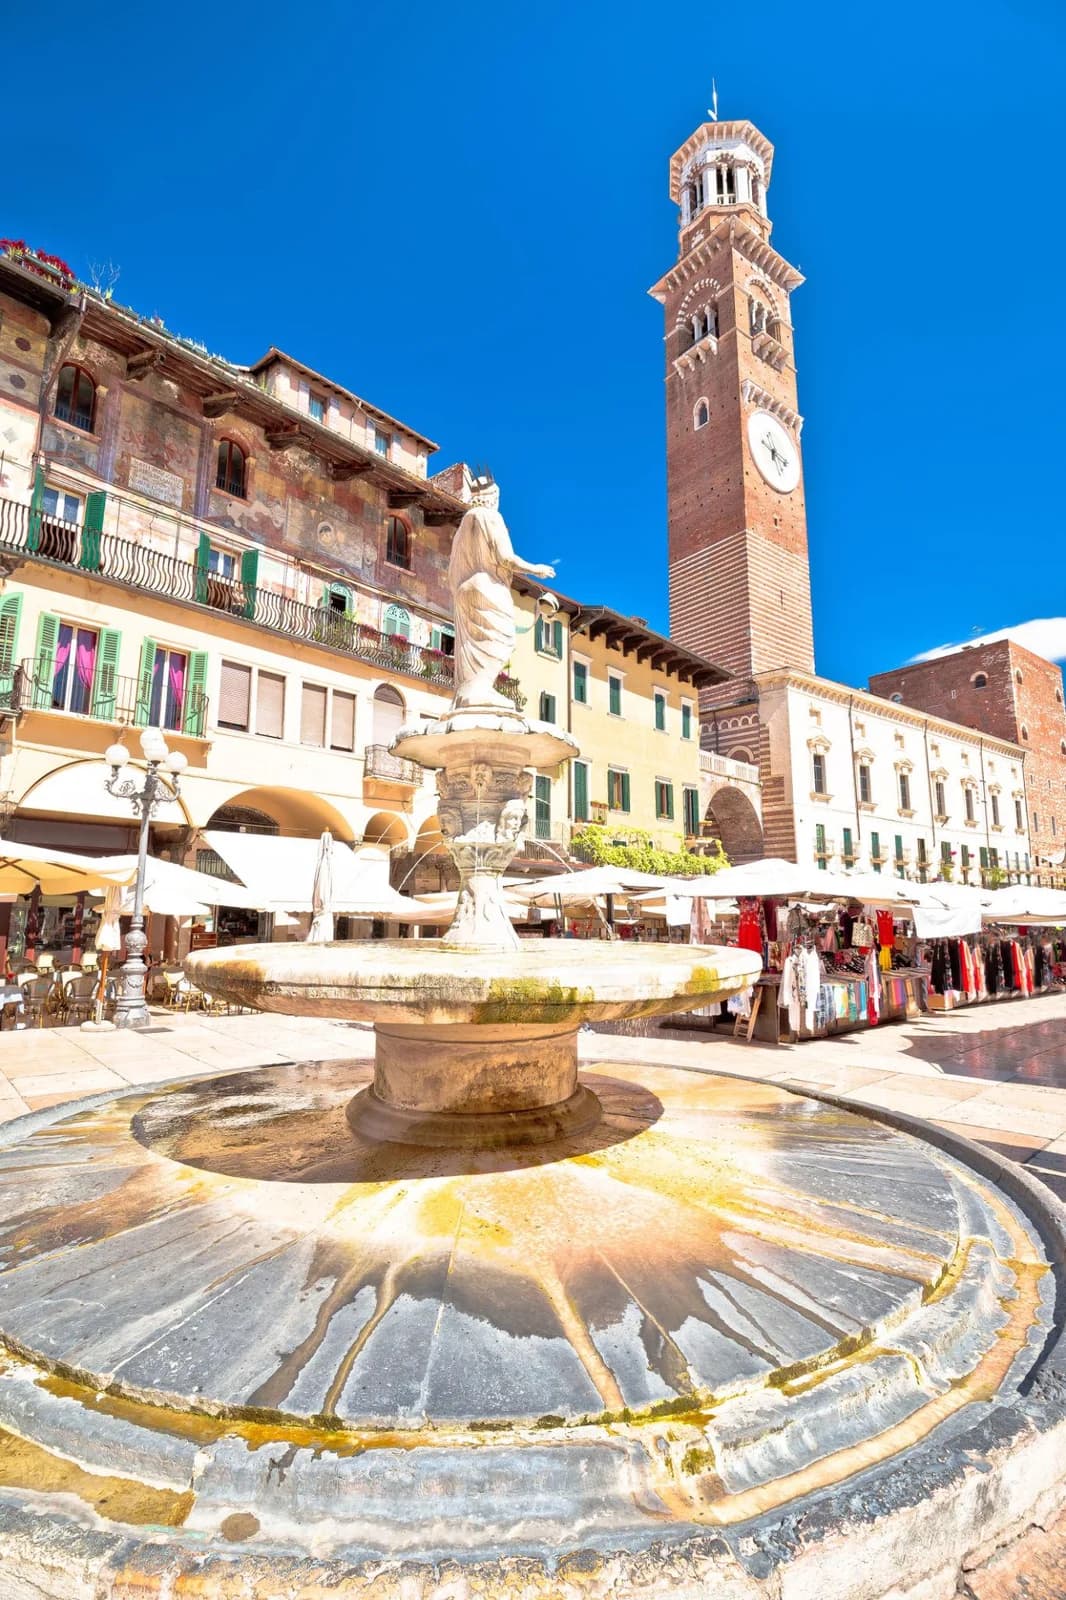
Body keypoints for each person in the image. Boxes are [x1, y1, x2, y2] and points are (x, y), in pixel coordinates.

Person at [448, 486, 554, 710]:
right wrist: (536, 569)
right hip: (488, 585)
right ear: (493, 498)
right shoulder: (491, 516)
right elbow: (505, 558)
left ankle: (468, 690)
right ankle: (480, 690)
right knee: (503, 639)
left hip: (464, 588)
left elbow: (452, 570)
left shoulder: (463, 526)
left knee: (470, 643)